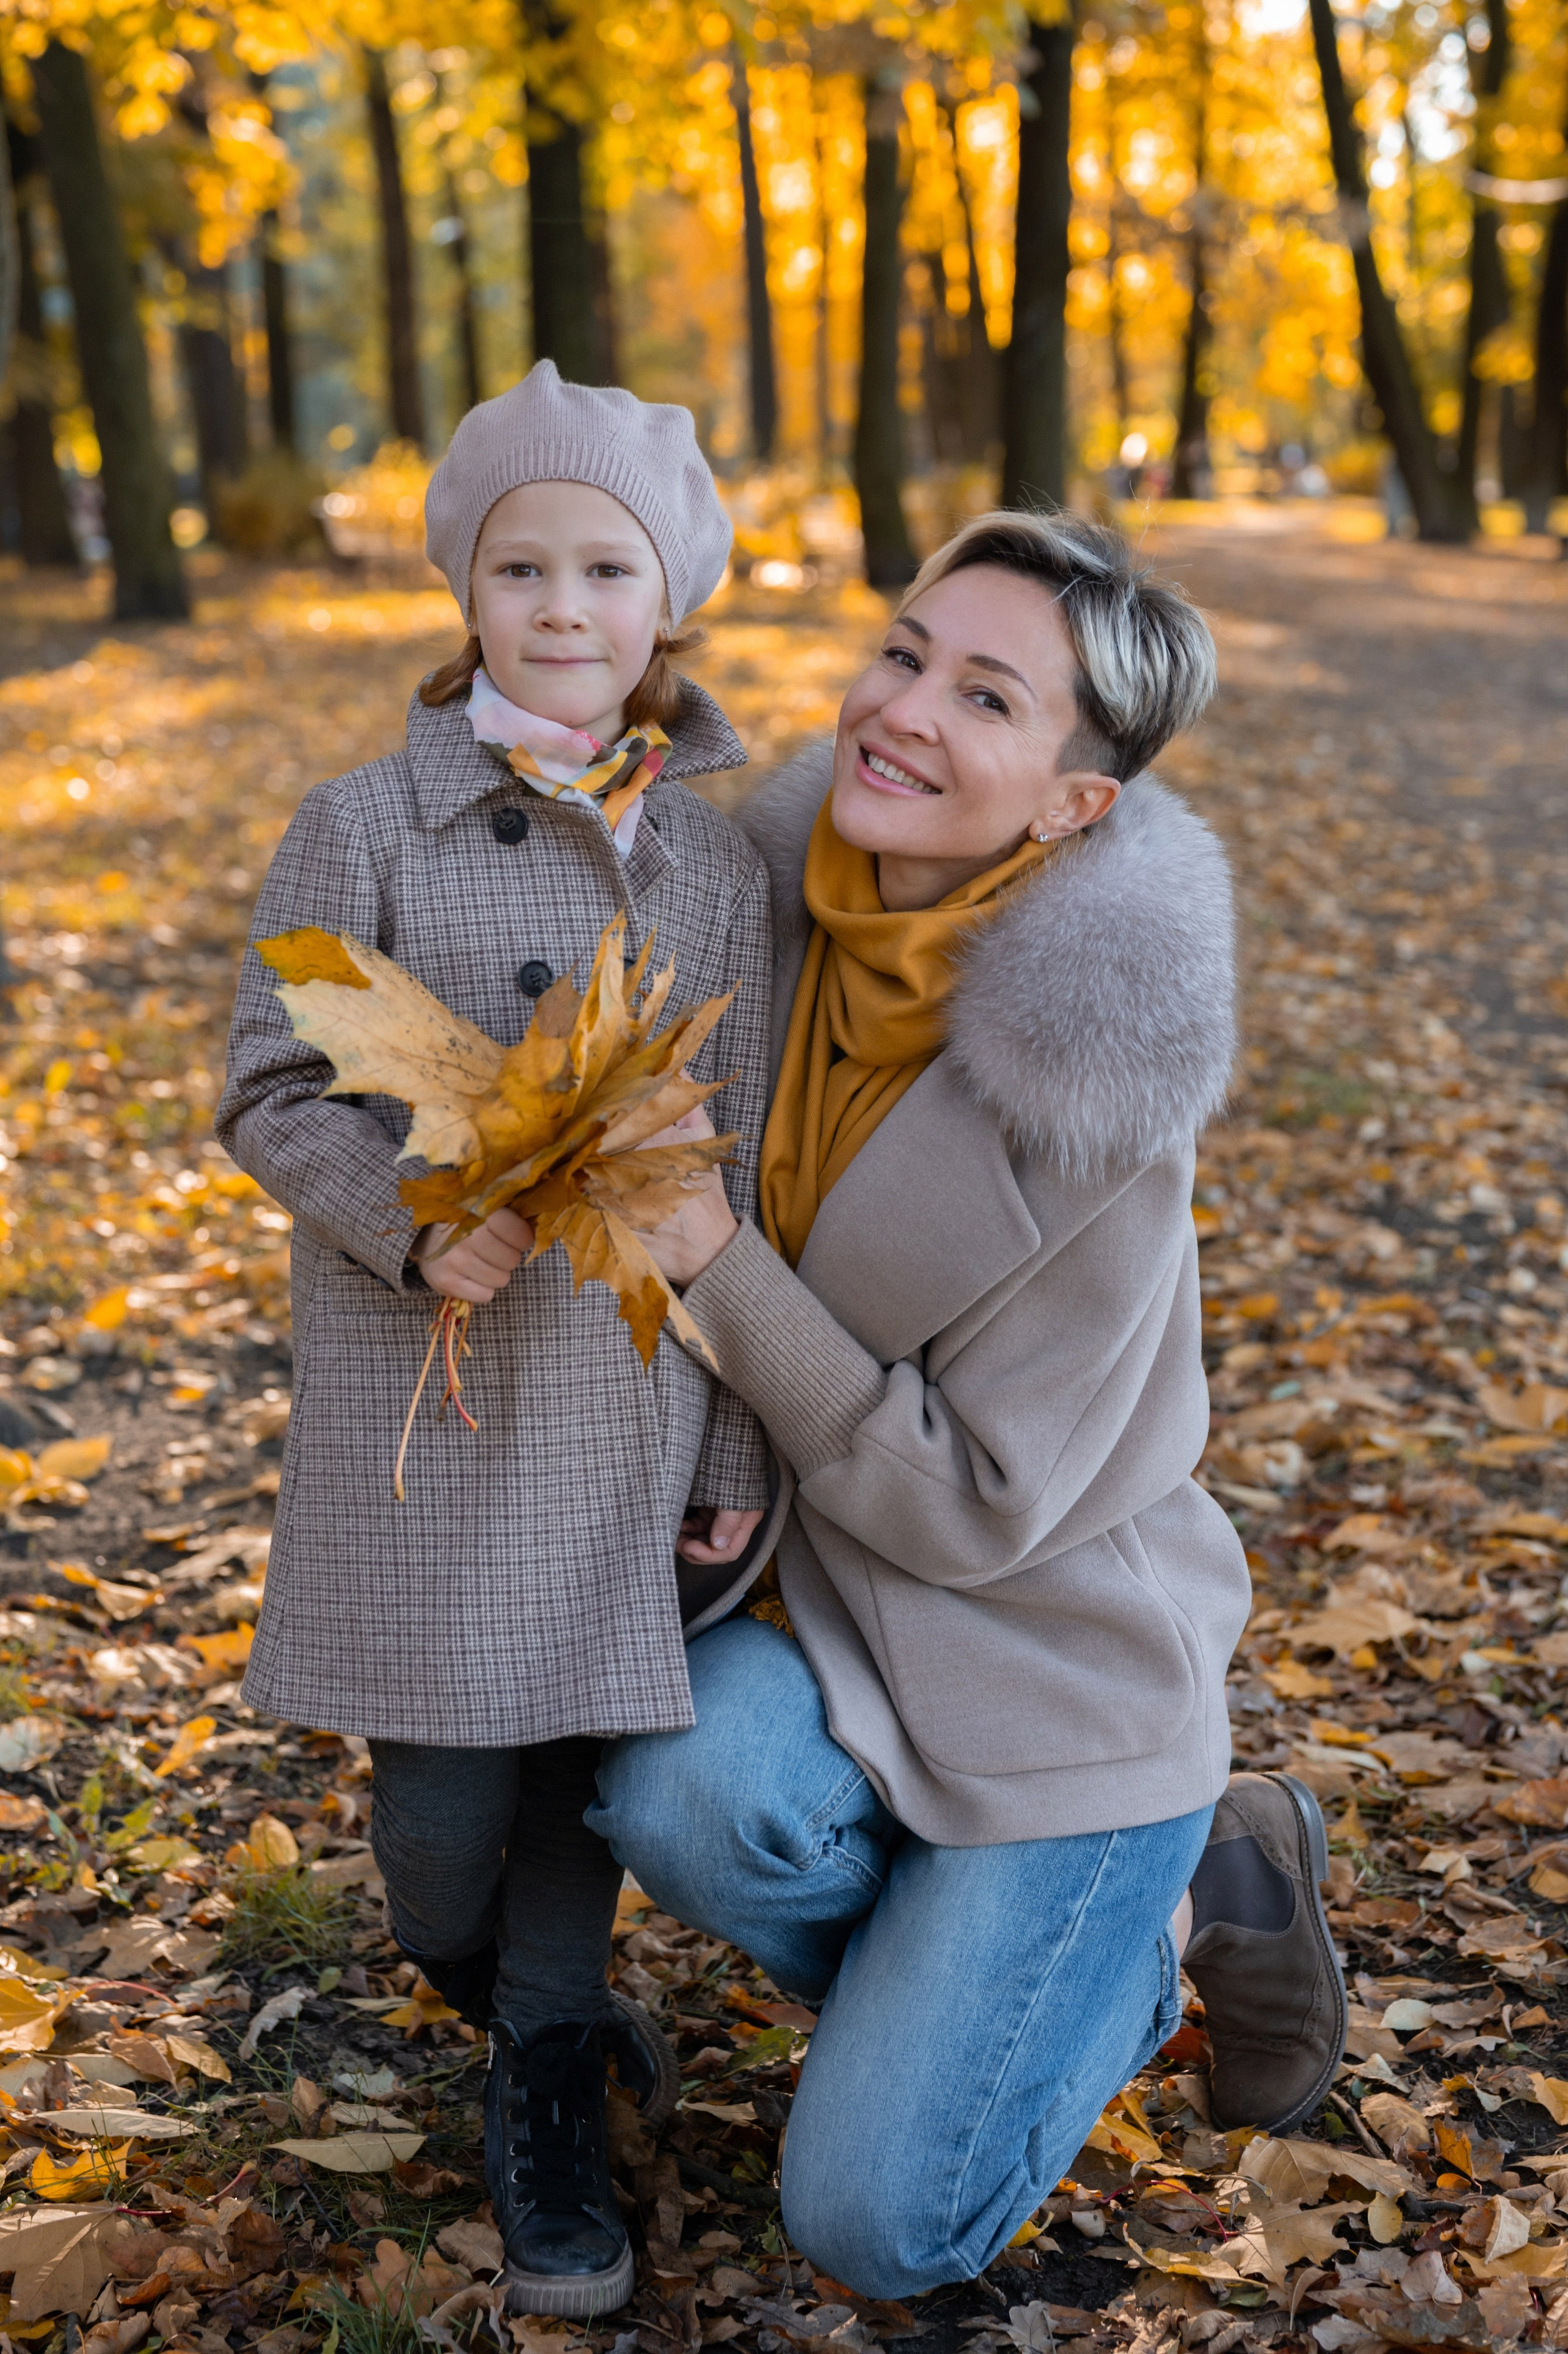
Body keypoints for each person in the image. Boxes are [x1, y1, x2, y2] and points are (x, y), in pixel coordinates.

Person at [592, 510, 1348, 2299]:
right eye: (905, 653)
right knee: (680, 1786)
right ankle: (981, 1985)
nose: (905, 710)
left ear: (1076, 802)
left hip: (1045, 1657)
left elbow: (972, 1503)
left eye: (987, 697)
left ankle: (1188, 1901)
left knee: (878, 2224)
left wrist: (713, 1257)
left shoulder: (1099, 1093)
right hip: (826, 1614)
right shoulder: (756, 911)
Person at [216, 363, 782, 2318]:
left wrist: (737, 1447)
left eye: (607, 569)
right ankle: (485, 1976)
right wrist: (406, 1217)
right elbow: (268, 1081)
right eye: (520, 565)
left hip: (629, 1403)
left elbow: (743, 1163)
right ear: (465, 586)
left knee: (574, 1775)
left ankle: (546, 2062)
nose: (562, 607)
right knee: (442, 1824)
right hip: (431, 1407)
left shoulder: (717, 861)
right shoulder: (364, 822)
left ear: (668, 599)